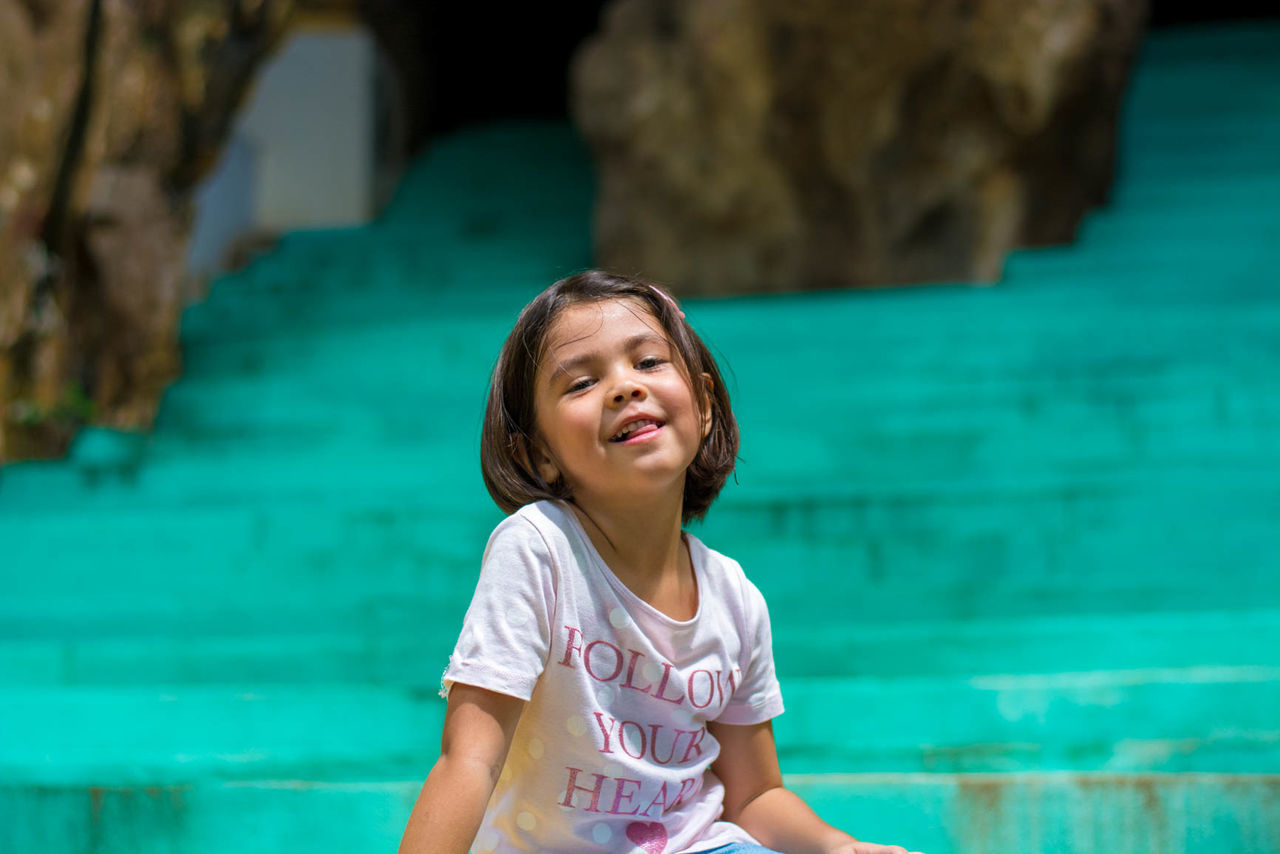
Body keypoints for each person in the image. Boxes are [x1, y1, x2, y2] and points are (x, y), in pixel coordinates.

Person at [399, 271, 922, 854]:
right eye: (581, 383)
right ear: (541, 454)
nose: (624, 388)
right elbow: (469, 760)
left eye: (647, 362)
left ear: (702, 406)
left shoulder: (734, 596)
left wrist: (837, 846)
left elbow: (753, 796)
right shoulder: (539, 550)